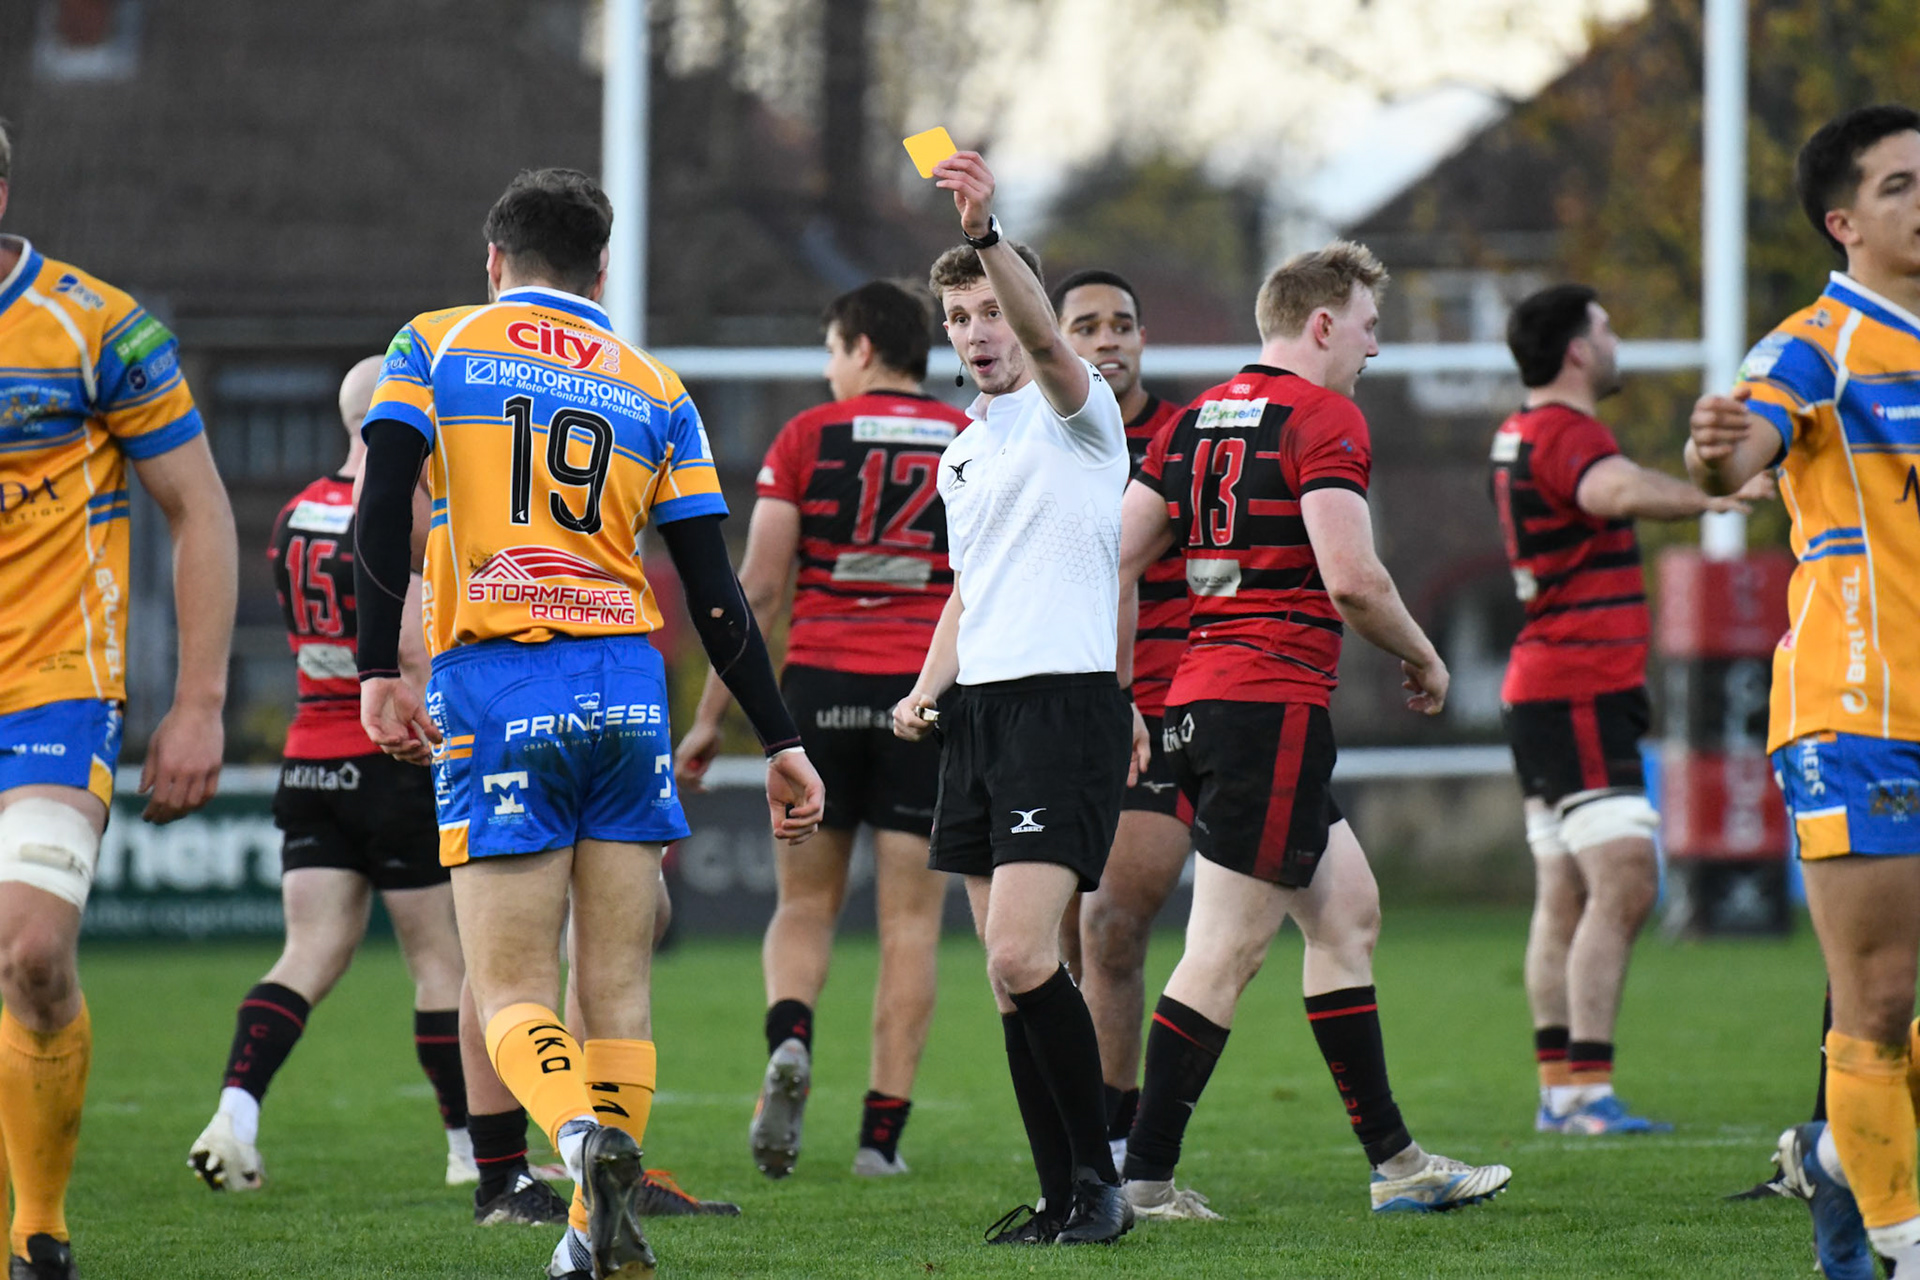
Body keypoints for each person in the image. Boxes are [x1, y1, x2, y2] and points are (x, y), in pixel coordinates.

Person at [355, 168, 823, 1280]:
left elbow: (380, 506)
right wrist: (782, 738)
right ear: (601, 269)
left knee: (509, 984)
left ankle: (574, 1138)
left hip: (499, 683)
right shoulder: (655, 386)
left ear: (494, 258)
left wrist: (377, 665)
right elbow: (717, 592)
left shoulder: (434, 343)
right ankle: (587, 1237)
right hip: (625, 688)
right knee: (618, 986)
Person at [1115, 241, 1512, 1220]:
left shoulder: (1193, 419)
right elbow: (1355, 580)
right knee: (1225, 948)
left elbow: (1115, 556)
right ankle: (1144, 1183)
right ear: (1323, 323)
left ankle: (1398, 1163)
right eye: (1370, 328)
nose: (1375, 348)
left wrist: (1123, 689)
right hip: (1267, 705)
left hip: (1200, 702)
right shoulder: (1323, 416)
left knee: (1348, 914)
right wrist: (1425, 656)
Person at [1686, 103, 1920, 1280]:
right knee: (1877, 999)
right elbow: (1738, 449)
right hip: (1858, 711)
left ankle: (1834, 1154)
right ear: (1844, 222)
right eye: (1900, 185)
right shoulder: (1811, 346)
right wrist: (1716, 449)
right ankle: (1903, 1240)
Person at [890, 152, 1141, 1246]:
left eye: (990, 308)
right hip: (980, 716)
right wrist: (924, 688)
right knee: (1007, 980)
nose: (978, 331)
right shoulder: (964, 451)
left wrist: (988, 235)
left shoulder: (1075, 412)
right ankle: (1058, 1196)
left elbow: (1046, 341)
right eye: (959, 317)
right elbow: (970, 589)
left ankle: (1102, 1186)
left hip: (1060, 708)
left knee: (1022, 955)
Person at [0, 122, 237, 1280]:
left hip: (54, 687)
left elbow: (199, 509)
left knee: (33, 952)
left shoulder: (97, 326)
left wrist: (199, 702)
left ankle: (38, 1226)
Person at [675, 280, 966, 1180]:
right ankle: (880, 1142)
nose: (829, 365)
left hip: (819, 691)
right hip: (923, 694)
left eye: (832, 348)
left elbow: (757, 592)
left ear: (863, 348)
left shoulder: (807, 435)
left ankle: (791, 1040)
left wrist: (710, 719)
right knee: (911, 925)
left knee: (803, 906)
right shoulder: (968, 438)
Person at [185, 356, 476, 1194]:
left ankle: (234, 1115)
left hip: (311, 758)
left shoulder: (293, 514)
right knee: (440, 965)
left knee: (306, 954)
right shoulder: (402, 512)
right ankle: (468, 1152)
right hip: (393, 757)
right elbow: (411, 646)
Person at [1494, 285, 1763, 1136]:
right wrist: (1711, 495)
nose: (1617, 342)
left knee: (1564, 891)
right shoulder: (1568, 432)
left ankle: (1561, 1090)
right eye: (1607, 328)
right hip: (1578, 688)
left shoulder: (1519, 429)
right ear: (1578, 349)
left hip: (1543, 685)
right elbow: (1611, 491)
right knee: (1627, 882)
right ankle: (1585, 1092)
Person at [1047, 268, 1191, 1170]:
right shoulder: (1035, 435)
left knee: (1110, 925)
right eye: (1088, 325)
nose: (1109, 339)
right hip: (1054, 701)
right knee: (1061, 942)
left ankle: (1110, 1149)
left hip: (1164, 702)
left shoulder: (1185, 437)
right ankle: (1090, 1130)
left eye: (1123, 323)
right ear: (1055, 339)